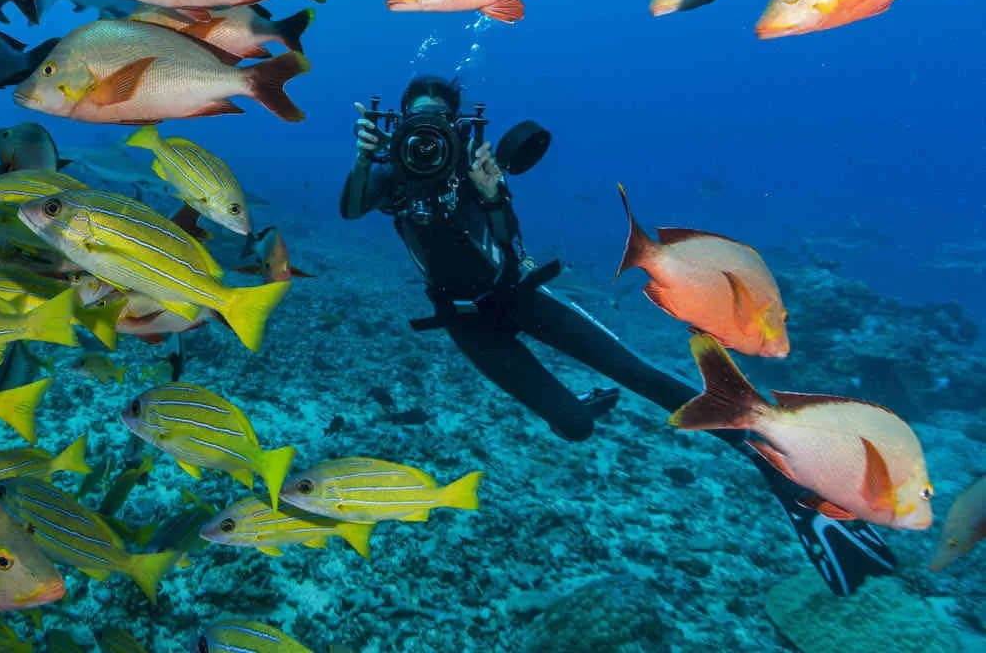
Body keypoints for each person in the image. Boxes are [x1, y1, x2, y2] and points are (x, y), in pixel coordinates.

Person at [341, 74, 896, 597]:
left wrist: (492, 194)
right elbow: (349, 208)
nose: (426, 137)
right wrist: (365, 160)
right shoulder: (389, 176)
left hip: (521, 295)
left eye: (438, 122)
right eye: (417, 122)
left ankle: (792, 479)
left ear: (457, 126)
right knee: (575, 426)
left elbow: (509, 243)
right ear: (399, 125)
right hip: (466, 320)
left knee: (641, 374)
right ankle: (581, 402)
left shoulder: (471, 166)